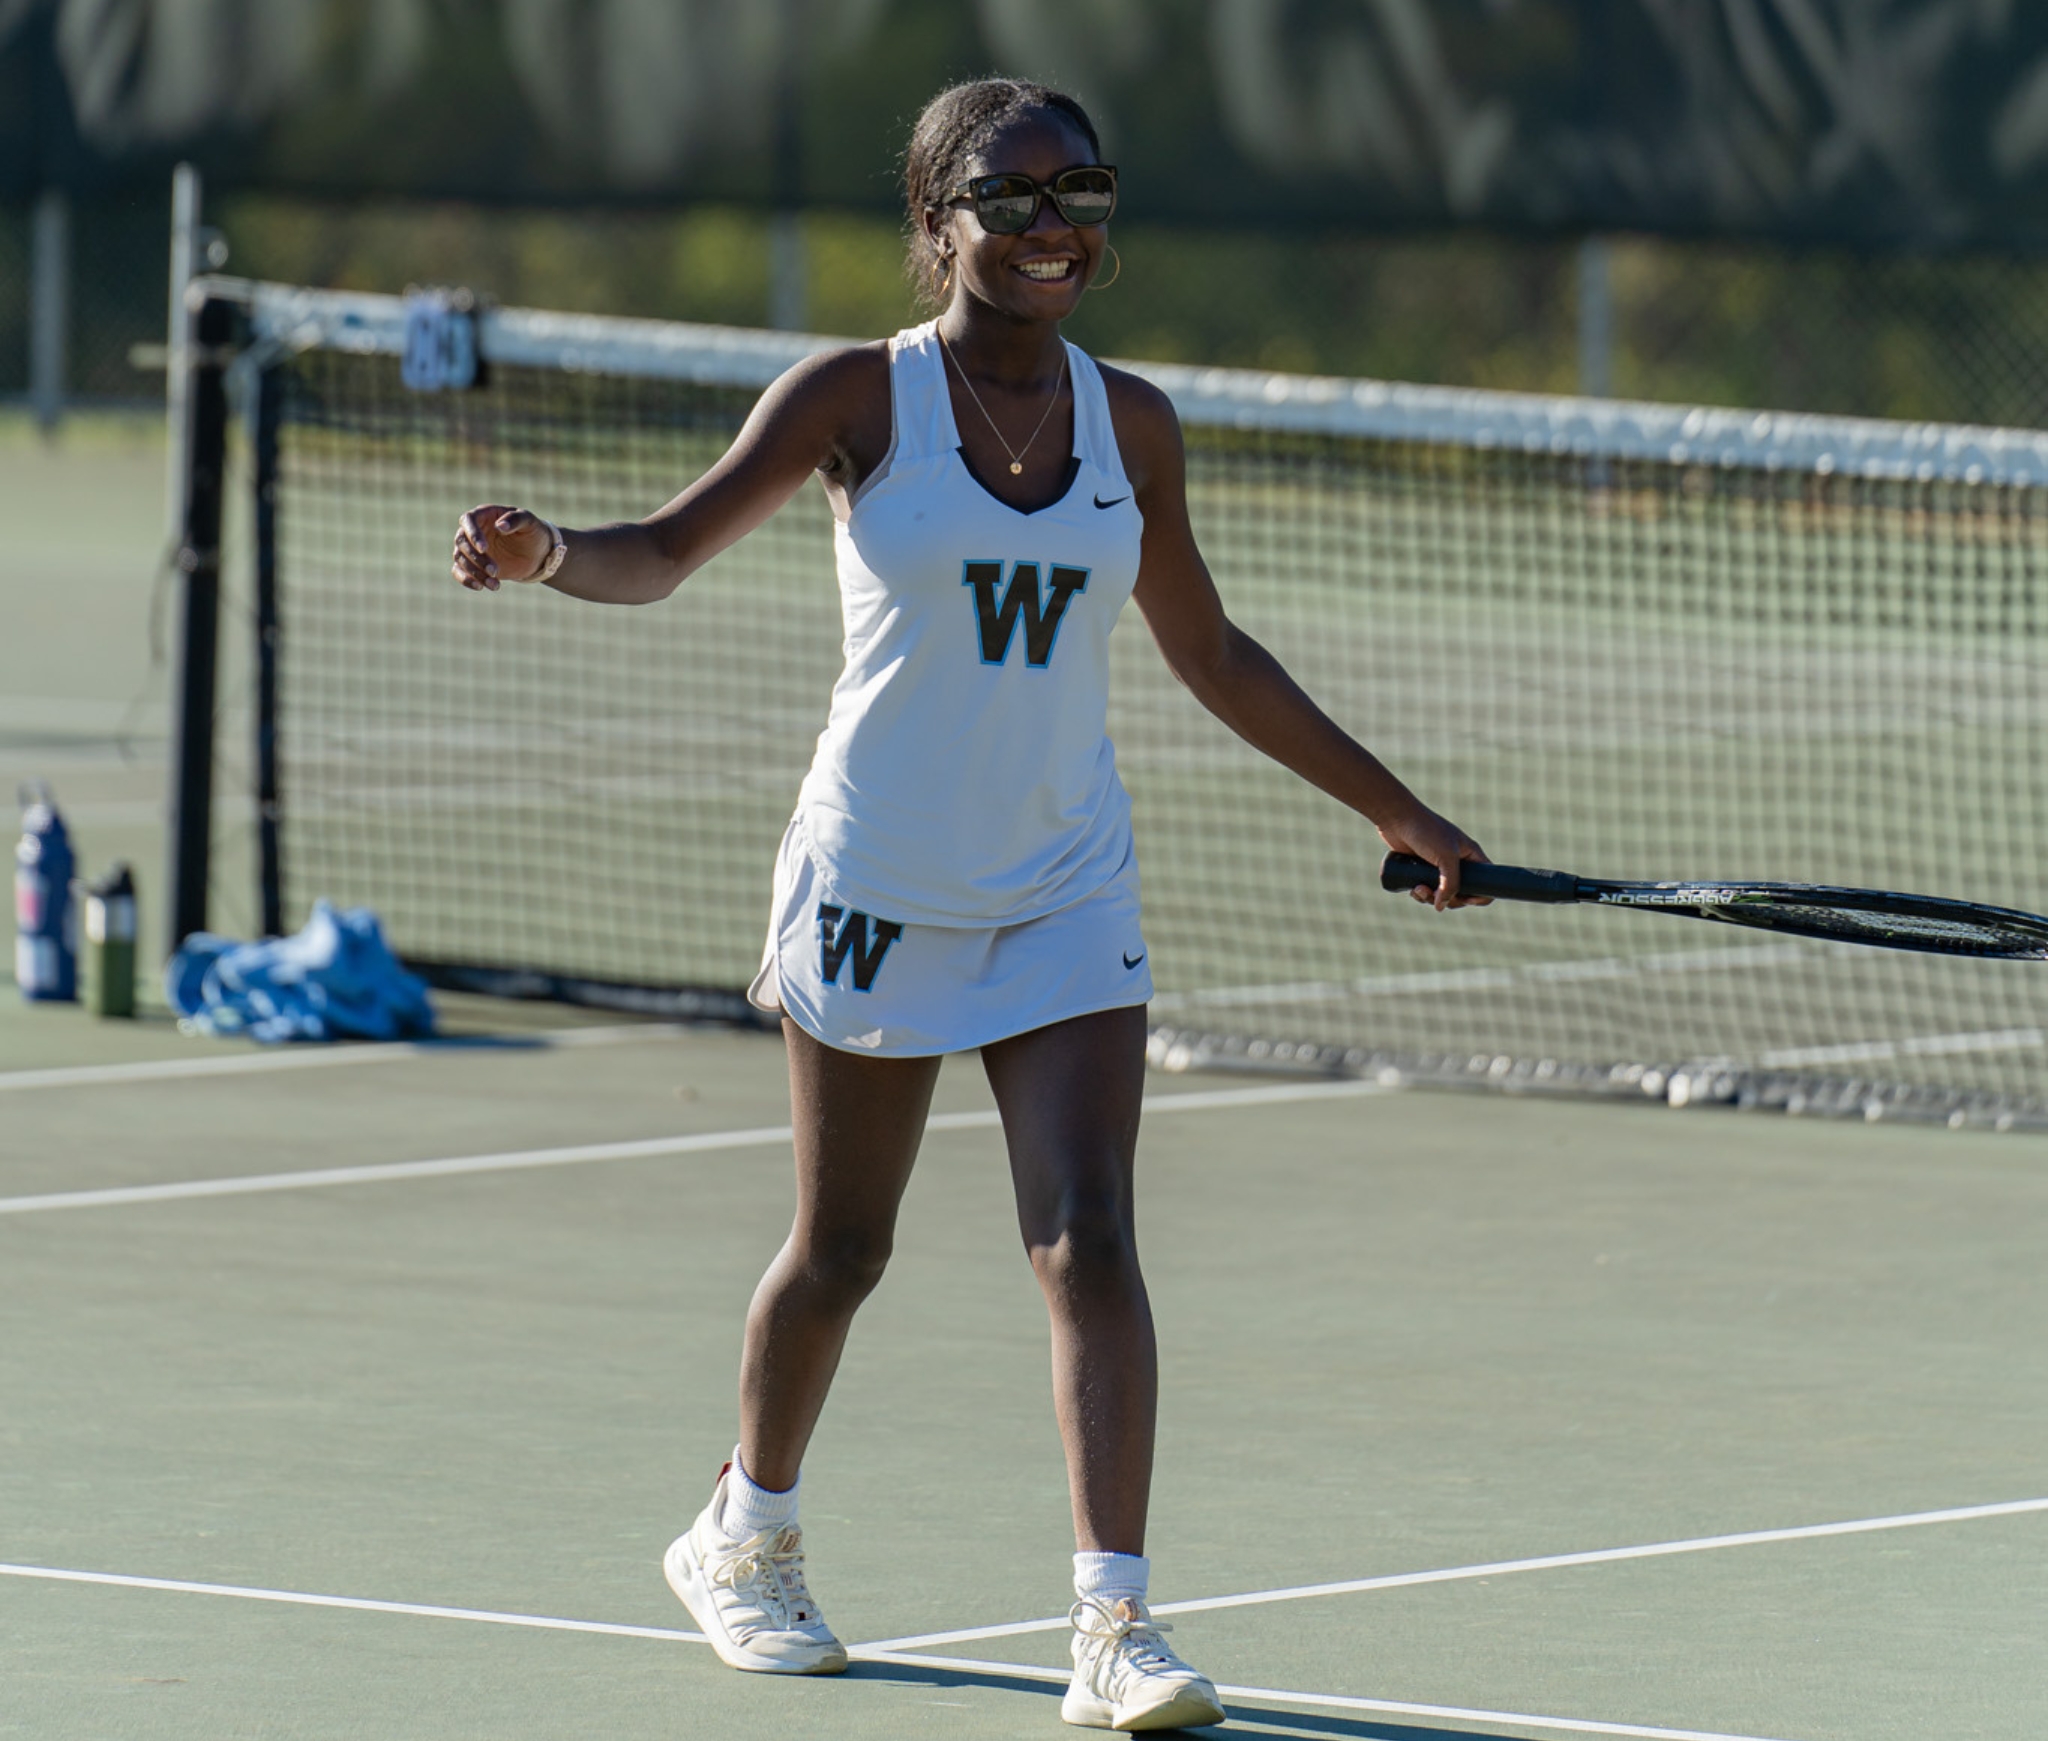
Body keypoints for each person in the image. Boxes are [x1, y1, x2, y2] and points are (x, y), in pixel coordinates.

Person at [451, 75, 1485, 1735]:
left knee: (1089, 1235)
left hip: (1066, 878)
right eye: (1013, 200)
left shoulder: (1130, 420)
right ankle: (745, 1532)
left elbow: (1206, 651)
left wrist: (1396, 804)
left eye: (1081, 194)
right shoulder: (856, 397)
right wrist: (552, 551)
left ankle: (1117, 1621)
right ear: (940, 226)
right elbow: (663, 545)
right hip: (877, 881)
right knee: (843, 1249)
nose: (1056, 227)